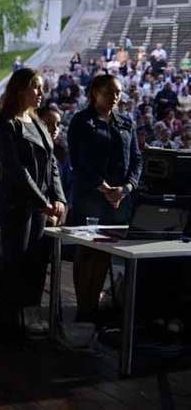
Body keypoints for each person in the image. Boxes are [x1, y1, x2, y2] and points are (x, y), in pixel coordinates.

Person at [0, 68, 66, 344]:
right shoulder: (4, 122)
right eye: (36, 87)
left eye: (42, 88)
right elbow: (15, 170)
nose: (41, 93)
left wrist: (59, 198)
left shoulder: (36, 122)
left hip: (41, 206)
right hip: (17, 206)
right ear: (20, 89)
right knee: (14, 265)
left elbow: (53, 164)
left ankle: (28, 320)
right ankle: (6, 326)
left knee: (35, 265)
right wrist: (43, 202)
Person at [67, 73, 141, 325]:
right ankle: (83, 307)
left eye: (118, 92)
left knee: (104, 253)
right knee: (86, 250)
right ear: (95, 93)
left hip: (120, 199)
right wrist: (103, 186)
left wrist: (126, 188)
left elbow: (137, 160)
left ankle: (94, 308)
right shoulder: (81, 121)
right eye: (110, 92)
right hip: (91, 196)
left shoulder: (126, 123)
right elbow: (78, 160)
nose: (115, 97)